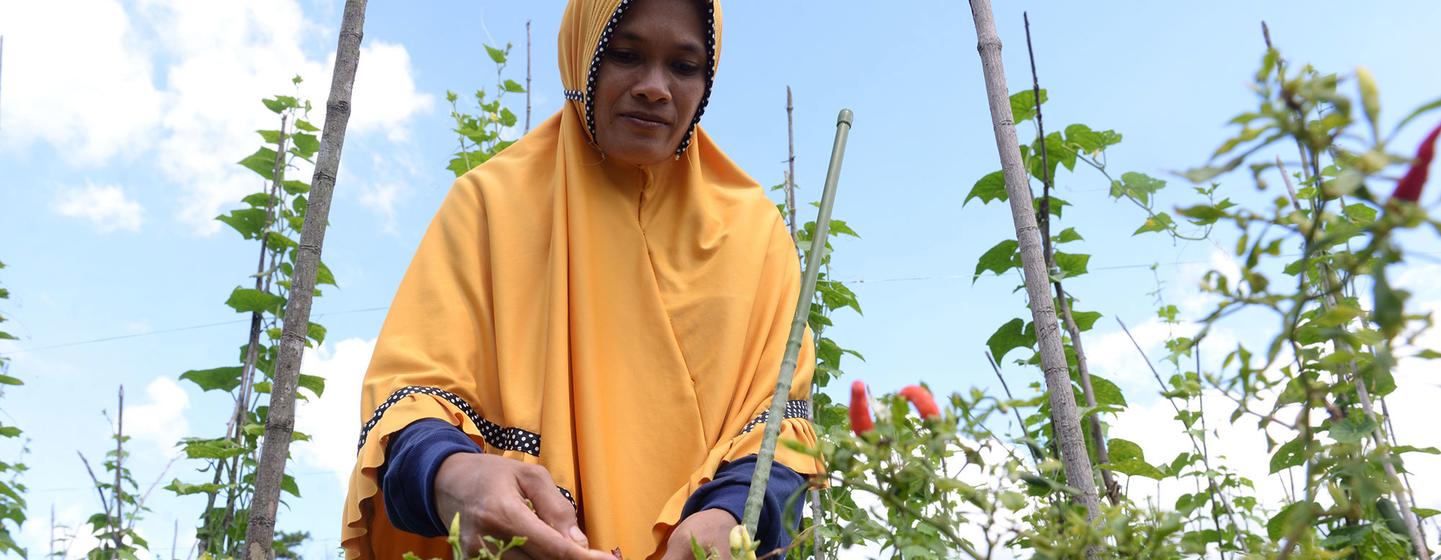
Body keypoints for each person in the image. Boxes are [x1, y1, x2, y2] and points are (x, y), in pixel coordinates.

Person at [340, 0, 823, 558]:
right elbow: (408, 404)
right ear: (581, 54)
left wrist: (729, 514)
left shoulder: (756, 235)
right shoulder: (492, 206)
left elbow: (779, 427)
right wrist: (455, 477)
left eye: (684, 67)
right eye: (625, 55)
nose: (654, 87)